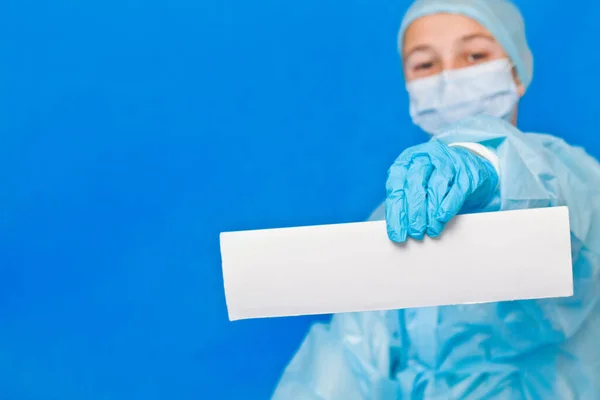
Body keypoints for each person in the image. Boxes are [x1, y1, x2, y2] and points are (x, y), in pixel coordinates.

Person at [271, 0, 600, 398]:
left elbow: (545, 193)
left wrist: (486, 161)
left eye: (475, 55)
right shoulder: (398, 217)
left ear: (516, 71)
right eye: (424, 65)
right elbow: (351, 352)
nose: (450, 78)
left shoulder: (572, 176)